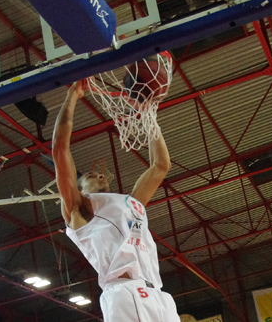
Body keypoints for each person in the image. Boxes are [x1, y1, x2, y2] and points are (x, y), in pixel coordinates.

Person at [52, 79, 180, 322]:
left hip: (159, 296)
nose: (100, 174)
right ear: (78, 189)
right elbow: (60, 149)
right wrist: (71, 97)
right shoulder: (79, 209)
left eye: (100, 173)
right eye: (90, 175)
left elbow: (161, 165)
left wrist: (149, 116)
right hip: (124, 291)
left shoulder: (130, 203)